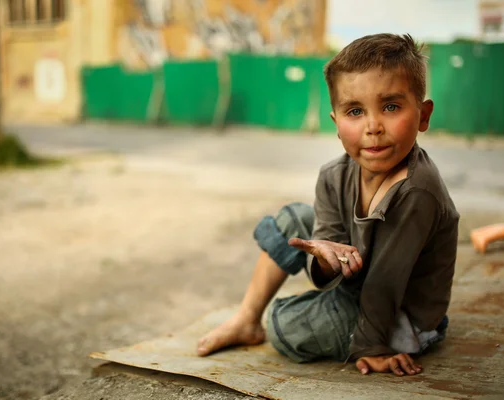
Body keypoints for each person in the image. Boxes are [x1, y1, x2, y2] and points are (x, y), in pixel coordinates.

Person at [196, 33, 459, 376]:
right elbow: (328, 255)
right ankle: (246, 319)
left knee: (284, 327)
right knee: (293, 218)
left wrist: (372, 347)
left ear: (423, 116)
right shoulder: (335, 174)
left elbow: (386, 282)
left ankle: (341, 329)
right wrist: (323, 259)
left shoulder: (416, 191)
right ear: (336, 123)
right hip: (361, 282)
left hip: (400, 317)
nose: (373, 126)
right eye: (355, 111)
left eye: (391, 106)